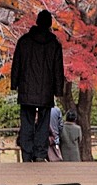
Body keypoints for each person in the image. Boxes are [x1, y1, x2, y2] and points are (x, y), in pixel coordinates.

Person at [11, 8, 65, 162]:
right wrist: (58, 90)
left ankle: (27, 154)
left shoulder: (24, 41)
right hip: (46, 90)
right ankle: (40, 153)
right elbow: (58, 69)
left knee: (27, 121)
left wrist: (14, 83)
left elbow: (17, 64)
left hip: (26, 88)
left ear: (37, 22)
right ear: (49, 24)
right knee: (43, 122)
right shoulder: (54, 44)